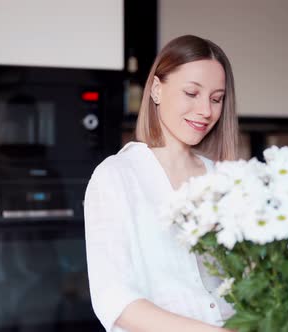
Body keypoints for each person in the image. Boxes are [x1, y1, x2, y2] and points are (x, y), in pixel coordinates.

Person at [84, 35, 239, 332]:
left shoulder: (223, 180)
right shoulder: (117, 176)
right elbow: (114, 299)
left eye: (216, 98)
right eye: (192, 93)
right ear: (156, 89)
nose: (206, 110)